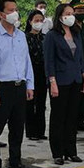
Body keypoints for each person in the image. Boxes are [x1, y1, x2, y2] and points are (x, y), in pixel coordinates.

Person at [0, 0, 36, 168]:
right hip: (1, 88)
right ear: (1, 14)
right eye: (10, 10)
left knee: (17, 127)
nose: (15, 13)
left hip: (20, 87)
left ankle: (15, 161)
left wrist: (30, 84)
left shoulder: (21, 36)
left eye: (16, 9)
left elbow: (26, 62)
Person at [44, 3, 84, 165]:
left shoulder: (76, 33)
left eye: (72, 13)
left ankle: (71, 151)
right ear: (60, 16)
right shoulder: (52, 35)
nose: (71, 16)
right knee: (58, 117)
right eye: (67, 13)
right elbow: (48, 62)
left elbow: (80, 58)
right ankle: (57, 152)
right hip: (59, 81)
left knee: (72, 117)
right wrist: (52, 82)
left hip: (76, 80)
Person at [25, 9, 48, 140]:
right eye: (36, 21)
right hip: (30, 72)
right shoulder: (24, 37)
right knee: (30, 102)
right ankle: (31, 131)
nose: (39, 23)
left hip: (42, 73)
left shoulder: (45, 37)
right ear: (30, 22)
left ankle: (40, 131)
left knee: (41, 103)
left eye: (41, 21)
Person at [70, 0, 84, 132]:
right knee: (74, 96)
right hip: (73, 67)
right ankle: (71, 122)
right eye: (79, 10)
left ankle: (80, 121)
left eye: (83, 10)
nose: (81, 13)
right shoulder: (69, 28)